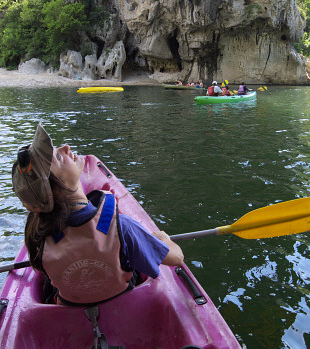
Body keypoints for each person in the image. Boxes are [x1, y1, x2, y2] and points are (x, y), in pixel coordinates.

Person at [11, 124, 184, 305]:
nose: (66, 147)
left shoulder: (39, 238)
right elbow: (176, 258)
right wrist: (165, 240)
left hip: (68, 313)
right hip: (122, 308)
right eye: (59, 157)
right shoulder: (122, 227)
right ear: (56, 190)